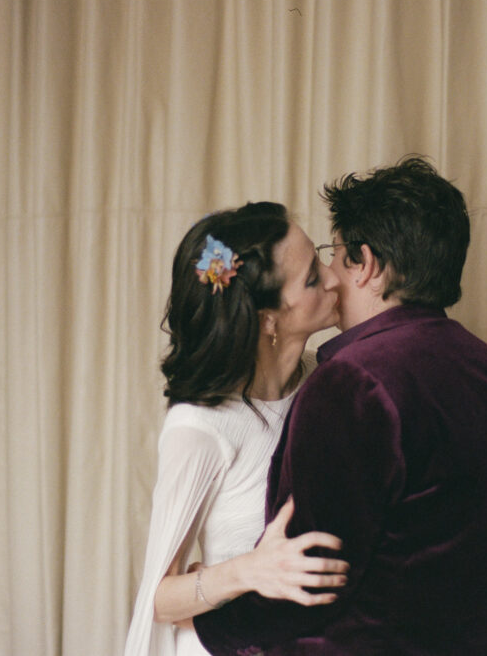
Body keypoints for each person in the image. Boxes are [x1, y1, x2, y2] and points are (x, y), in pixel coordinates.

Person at [193, 157, 487, 655]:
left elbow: (311, 582)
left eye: (335, 256)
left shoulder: (352, 384)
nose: (330, 277)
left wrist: (205, 618)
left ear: (370, 265)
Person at [124, 201, 350, 656]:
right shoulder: (201, 426)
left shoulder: (328, 384)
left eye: (322, 256)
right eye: (311, 277)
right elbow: (158, 599)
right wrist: (250, 570)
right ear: (268, 319)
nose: (333, 277)